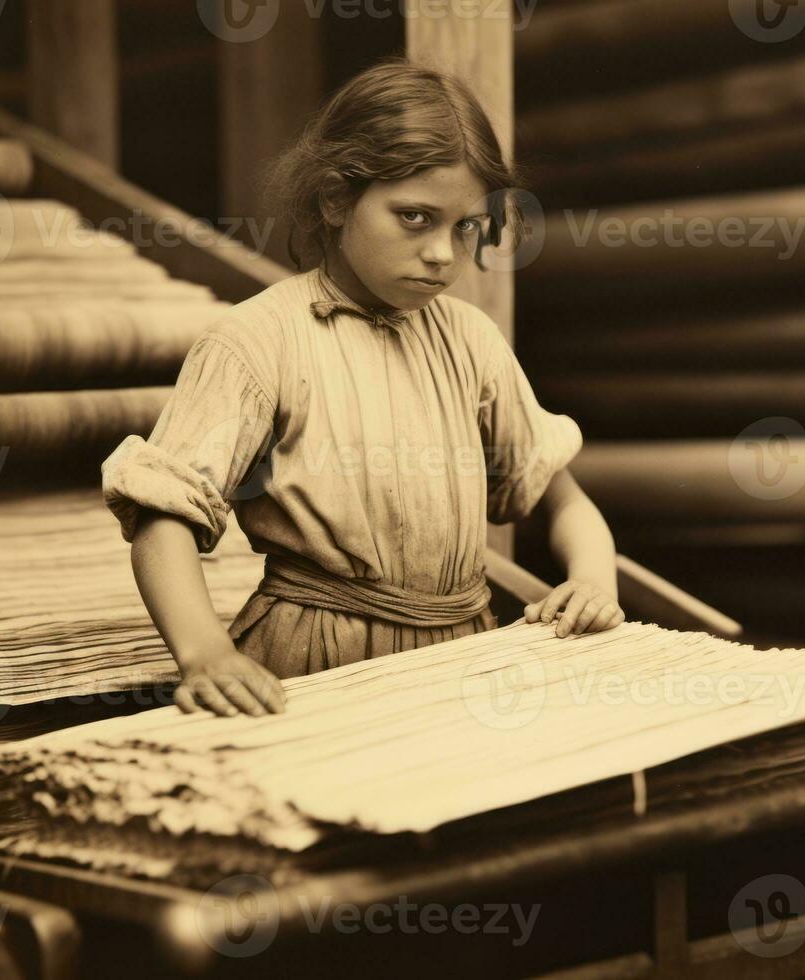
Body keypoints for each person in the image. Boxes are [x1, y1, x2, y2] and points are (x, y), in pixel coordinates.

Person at [101, 58, 623, 718]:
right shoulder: (259, 340)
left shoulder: (470, 340)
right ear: (335, 199)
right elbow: (162, 514)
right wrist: (205, 653)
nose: (442, 253)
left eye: (465, 227)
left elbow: (564, 499)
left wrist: (591, 579)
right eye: (414, 218)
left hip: (460, 654)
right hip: (315, 661)